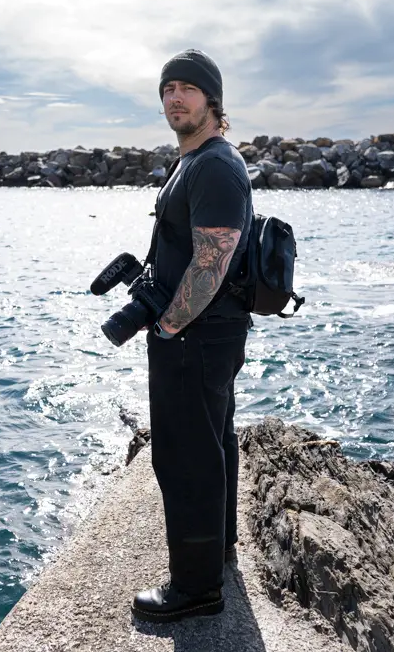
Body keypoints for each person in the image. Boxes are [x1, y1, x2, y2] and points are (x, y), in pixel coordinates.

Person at [131, 49, 254, 623]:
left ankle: (195, 589)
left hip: (196, 335)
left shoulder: (213, 165)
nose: (174, 97)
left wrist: (167, 323)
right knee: (213, 441)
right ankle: (219, 548)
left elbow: (212, 261)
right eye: (167, 89)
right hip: (208, 333)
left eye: (187, 88)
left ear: (212, 100)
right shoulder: (194, 160)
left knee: (185, 457)